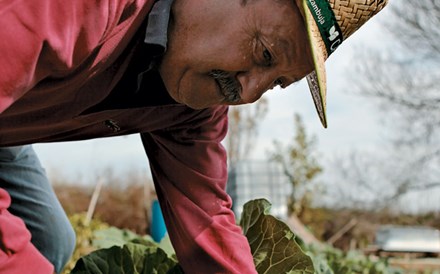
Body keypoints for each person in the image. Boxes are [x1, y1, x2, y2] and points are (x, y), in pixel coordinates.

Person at [0, 0, 388, 273]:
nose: (248, 93)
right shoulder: (81, 7)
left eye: (276, 83)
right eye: (265, 54)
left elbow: (207, 222)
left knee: (48, 240)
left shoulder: (194, 111)